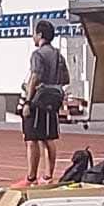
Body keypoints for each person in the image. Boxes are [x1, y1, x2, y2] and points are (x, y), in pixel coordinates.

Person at [20, 19, 70, 187]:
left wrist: (28, 101)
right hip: (53, 100)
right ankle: (48, 175)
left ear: (40, 35)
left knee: (32, 139)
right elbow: (66, 78)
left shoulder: (38, 55)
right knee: (49, 139)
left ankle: (31, 177)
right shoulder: (58, 55)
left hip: (38, 100)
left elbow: (35, 76)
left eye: (34, 33)